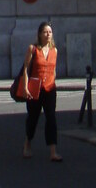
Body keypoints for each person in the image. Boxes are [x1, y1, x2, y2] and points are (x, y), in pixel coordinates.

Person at [21, 21, 62, 162]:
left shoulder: (54, 50)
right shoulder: (32, 49)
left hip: (50, 89)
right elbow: (26, 68)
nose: (48, 34)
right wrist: (26, 87)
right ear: (39, 34)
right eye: (45, 32)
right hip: (34, 89)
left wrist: (53, 80)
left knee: (51, 119)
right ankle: (27, 143)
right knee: (33, 118)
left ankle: (53, 151)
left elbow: (54, 69)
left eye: (50, 32)